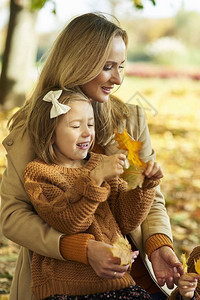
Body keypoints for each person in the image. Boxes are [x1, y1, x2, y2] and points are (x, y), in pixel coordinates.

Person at [0, 12, 183, 300]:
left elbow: (149, 196)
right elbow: (12, 216)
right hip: (61, 281)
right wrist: (81, 249)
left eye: (121, 66)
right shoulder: (33, 127)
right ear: (78, 63)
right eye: (107, 66)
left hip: (130, 278)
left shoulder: (130, 119)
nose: (118, 78)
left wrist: (159, 244)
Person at [22, 88, 162, 299]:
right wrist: (94, 179)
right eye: (76, 126)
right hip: (66, 288)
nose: (87, 132)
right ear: (50, 134)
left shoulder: (100, 163)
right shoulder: (39, 173)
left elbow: (126, 221)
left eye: (90, 124)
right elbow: (69, 223)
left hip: (117, 282)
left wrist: (145, 186)